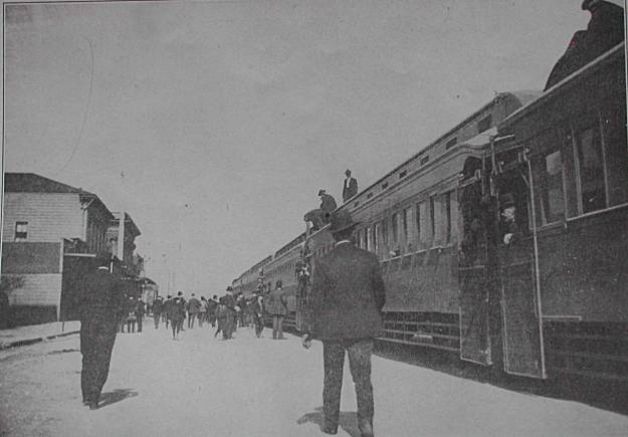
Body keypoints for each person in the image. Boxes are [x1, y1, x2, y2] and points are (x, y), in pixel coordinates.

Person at [302, 210, 386, 437]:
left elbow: (316, 300)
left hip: (333, 331)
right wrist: (370, 315)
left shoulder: (324, 262)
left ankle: (330, 424)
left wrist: (310, 330)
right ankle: (366, 424)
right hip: (362, 329)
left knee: (332, 377)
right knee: (363, 379)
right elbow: (380, 295)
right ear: (352, 232)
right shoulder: (369, 259)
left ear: (334, 236)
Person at [78, 256, 125, 410]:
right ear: (108, 264)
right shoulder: (115, 280)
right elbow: (120, 305)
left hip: (88, 325)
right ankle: (95, 397)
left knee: (88, 357)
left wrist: (84, 318)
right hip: (107, 326)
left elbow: (78, 301)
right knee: (102, 359)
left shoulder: (86, 279)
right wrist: (115, 320)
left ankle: (86, 395)